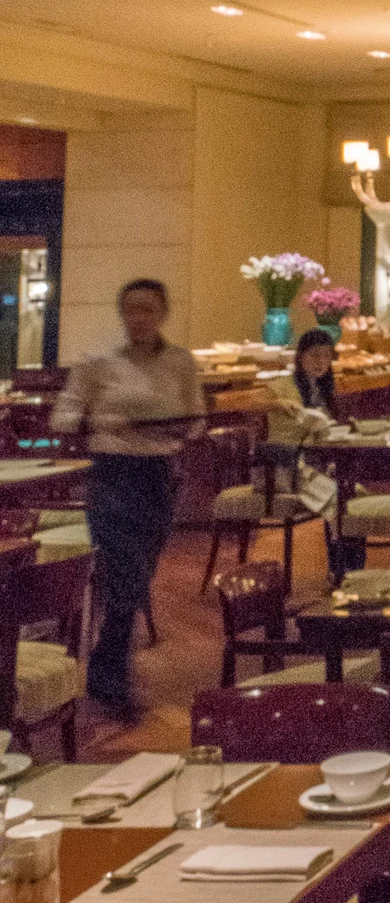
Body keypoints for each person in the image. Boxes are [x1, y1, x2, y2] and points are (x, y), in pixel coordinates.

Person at [53, 276, 205, 719]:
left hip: (158, 475)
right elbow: (64, 417)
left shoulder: (180, 361)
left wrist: (178, 426)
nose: (139, 317)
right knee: (124, 574)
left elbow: (196, 418)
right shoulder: (98, 363)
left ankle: (105, 666)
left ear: (163, 313)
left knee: (140, 575)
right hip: (113, 474)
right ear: (122, 313)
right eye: (131, 309)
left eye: (148, 309)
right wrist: (103, 422)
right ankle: (110, 675)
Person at [260, 328, 343, 575]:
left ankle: (345, 568)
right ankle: (341, 570)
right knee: (341, 499)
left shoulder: (322, 389)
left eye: (326, 356)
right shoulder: (281, 385)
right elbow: (255, 403)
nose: (321, 362)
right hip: (283, 467)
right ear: (301, 356)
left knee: (352, 493)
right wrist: (277, 403)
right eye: (315, 355)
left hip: (313, 465)